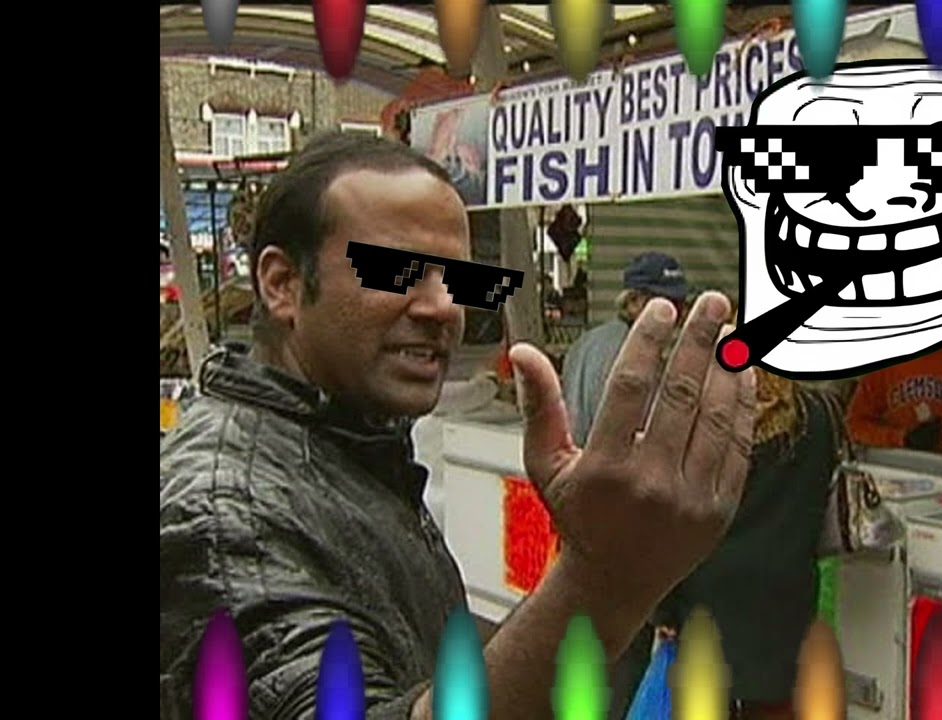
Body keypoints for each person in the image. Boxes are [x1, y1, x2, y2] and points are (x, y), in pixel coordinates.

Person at [159, 132, 755, 720]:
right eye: (397, 271)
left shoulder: (353, 443)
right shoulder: (224, 512)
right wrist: (604, 579)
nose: (443, 306)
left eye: (460, 280)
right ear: (282, 284)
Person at [645, 368, 848, 720]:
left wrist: (662, 610)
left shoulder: (706, 424)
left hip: (705, 598)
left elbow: (670, 523)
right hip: (787, 601)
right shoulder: (820, 417)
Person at [561, 252, 690, 447]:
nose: (675, 316)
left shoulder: (585, 343)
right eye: (667, 305)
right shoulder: (637, 354)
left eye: (679, 305)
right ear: (633, 302)